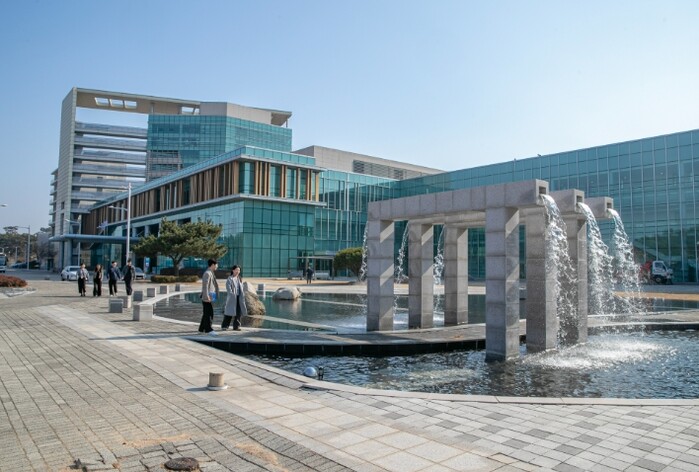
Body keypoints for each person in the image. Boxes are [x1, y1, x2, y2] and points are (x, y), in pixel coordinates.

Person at [222, 265, 247, 331]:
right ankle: (225, 326)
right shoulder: (230, 278)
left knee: (238, 312)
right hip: (232, 298)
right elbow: (228, 288)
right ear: (233, 270)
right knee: (229, 312)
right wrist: (232, 294)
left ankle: (236, 326)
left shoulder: (239, 278)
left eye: (239, 270)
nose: (237, 271)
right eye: (236, 270)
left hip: (239, 298)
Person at [198, 259, 219, 335]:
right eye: (216, 265)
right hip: (207, 297)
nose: (217, 266)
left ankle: (201, 329)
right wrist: (207, 296)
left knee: (206, 313)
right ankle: (208, 330)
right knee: (209, 313)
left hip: (211, 296)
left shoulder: (211, 272)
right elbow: (205, 286)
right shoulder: (207, 273)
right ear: (213, 264)